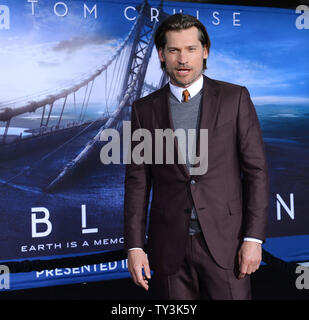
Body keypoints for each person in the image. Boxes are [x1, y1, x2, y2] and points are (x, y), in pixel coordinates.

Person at [123, 13, 269, 300]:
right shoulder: (144, 109)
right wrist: (135, 246)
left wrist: (253, 239)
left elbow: (257, 171)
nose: (183, 59)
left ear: (205, 52)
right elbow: (137, 182)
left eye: (191, 49)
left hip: (227, 244)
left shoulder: (235, 98)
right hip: (168, 247)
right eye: (174, 50)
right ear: (161, 55)